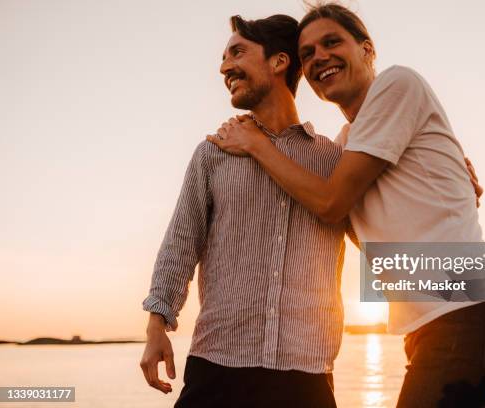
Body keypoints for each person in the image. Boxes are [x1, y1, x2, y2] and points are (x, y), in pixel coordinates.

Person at [207, 3, 485, 407]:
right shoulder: (345, 147)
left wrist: (256, 144)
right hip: (426, 325)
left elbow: (330, 202)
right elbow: (321, 206)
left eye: (332, 42)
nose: (320, 57)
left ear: (367, 50)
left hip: (468, 310)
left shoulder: (398, 84)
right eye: (308, 54)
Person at [140, 14, 345, 408]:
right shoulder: (213, 153)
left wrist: (448, 172)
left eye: (237, 52)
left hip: (307, 375)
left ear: (279, 61)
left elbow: (378, 225)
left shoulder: (333, 161)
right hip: (217, 366)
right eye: (223, 56)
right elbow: (181, 242)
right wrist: (156, 325)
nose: (223, 67)